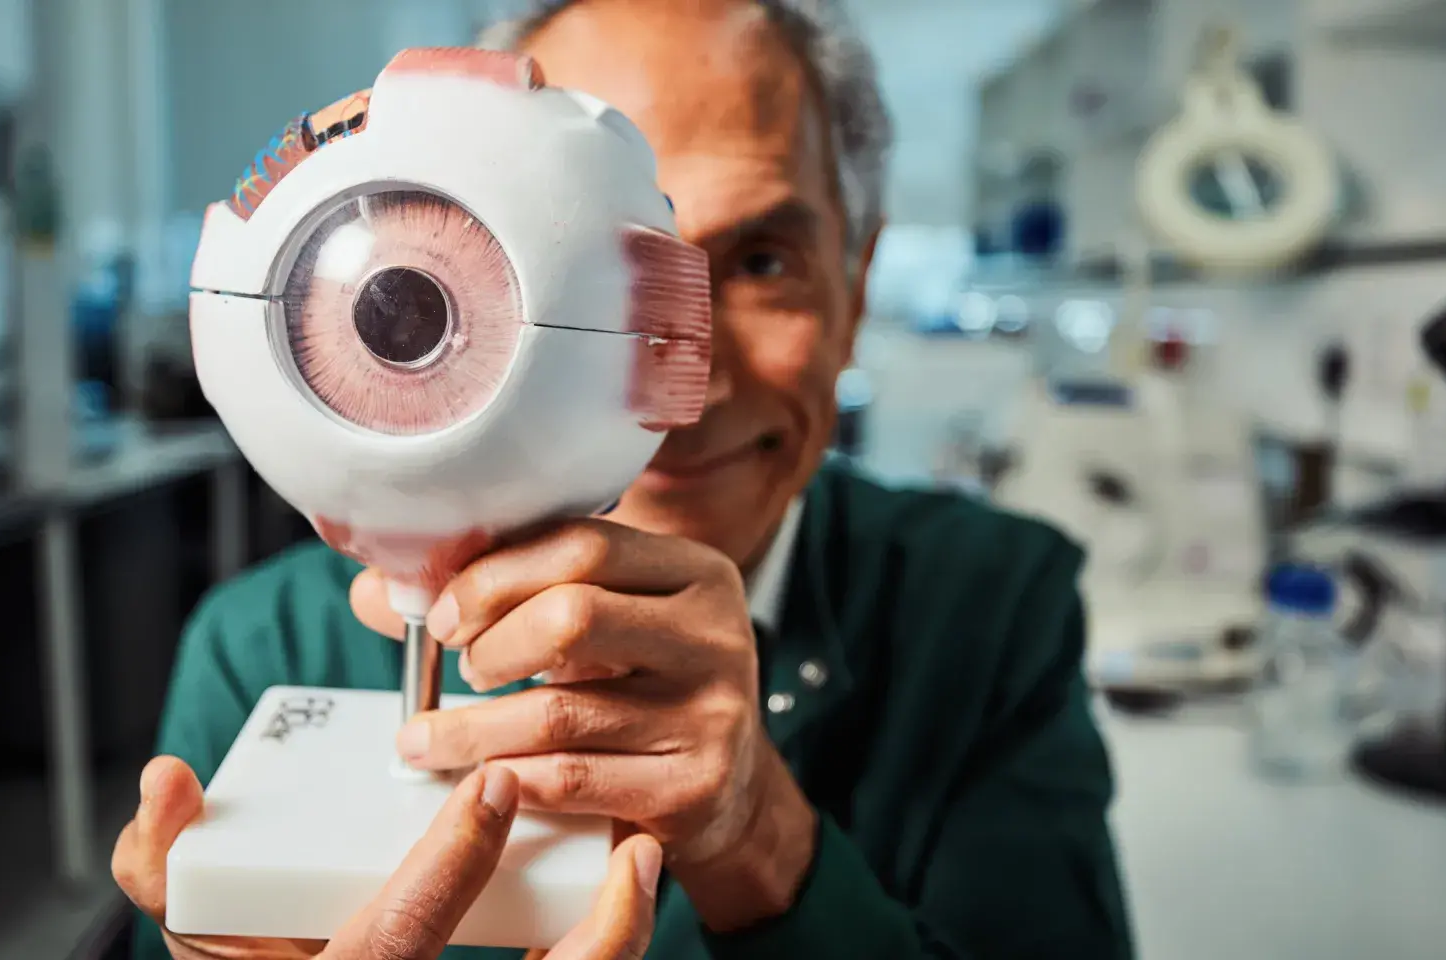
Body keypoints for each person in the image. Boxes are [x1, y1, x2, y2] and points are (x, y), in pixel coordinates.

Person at [117, 0, 1135, 957]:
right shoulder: (266, 650)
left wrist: (765, 840)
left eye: (762, 263)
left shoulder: (993, 611)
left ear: (856, 289)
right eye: (595, 273)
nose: (686, 382)